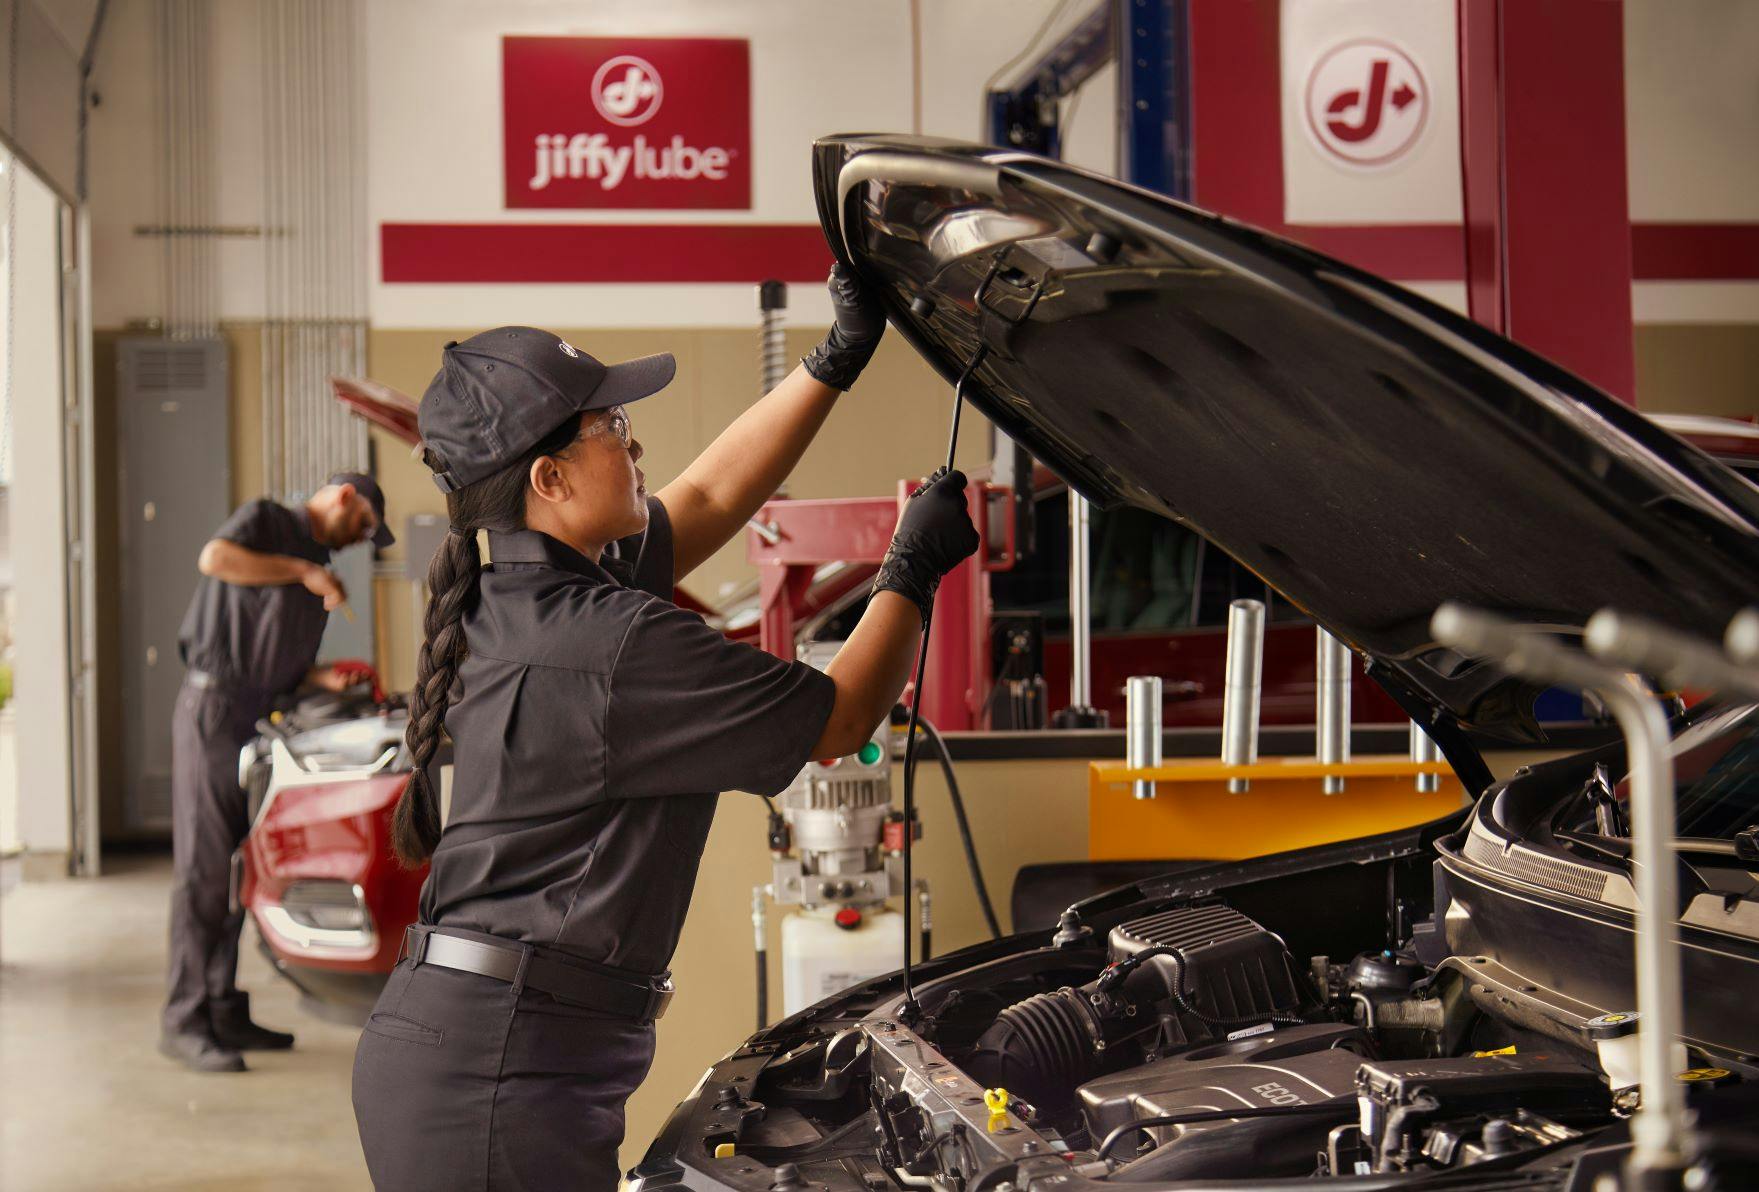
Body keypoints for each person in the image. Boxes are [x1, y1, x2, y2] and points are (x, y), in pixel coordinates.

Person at [351, 267, 978, 1190]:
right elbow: (842, 718)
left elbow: (711, 497)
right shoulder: (611, 642)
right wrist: (910, 570)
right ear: (549, 478)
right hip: (500, 1074)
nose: (632, 439)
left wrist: (833, 358)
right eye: (611, 426)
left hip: (481, 1049)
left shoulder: (519, 593)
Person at [161, 473, 395, 1072]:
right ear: (344, 497)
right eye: (363, 524)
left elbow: (278, 666)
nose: (358, 539)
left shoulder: (317, 560)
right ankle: (184, 1021)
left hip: (259, 718)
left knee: (240, 868)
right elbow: (214, 558)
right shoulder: (267, 522)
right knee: (205, 871)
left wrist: (323, 678)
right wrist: (301, 573)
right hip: (212, 711)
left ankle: (223, 1008)